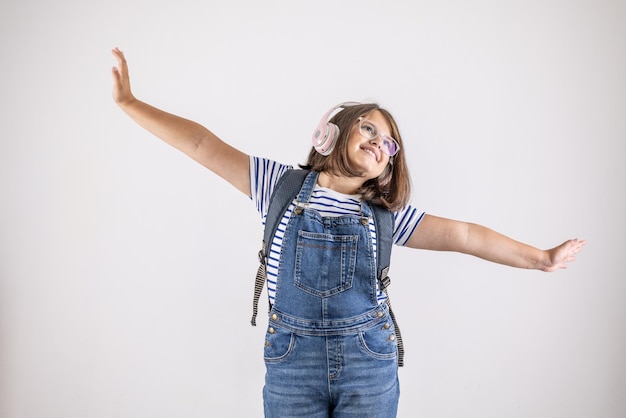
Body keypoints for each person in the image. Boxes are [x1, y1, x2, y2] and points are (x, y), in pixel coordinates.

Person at [110, 47, 586, 418]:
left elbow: (464, 235)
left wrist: (540, 257)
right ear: (330, 132)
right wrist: (131, 103)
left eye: (389, 144)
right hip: (291, 360)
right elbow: (200, 142)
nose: (380, 144)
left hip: (369, 361)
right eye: (369, 129)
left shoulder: (385, 215)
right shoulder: (277, 186)